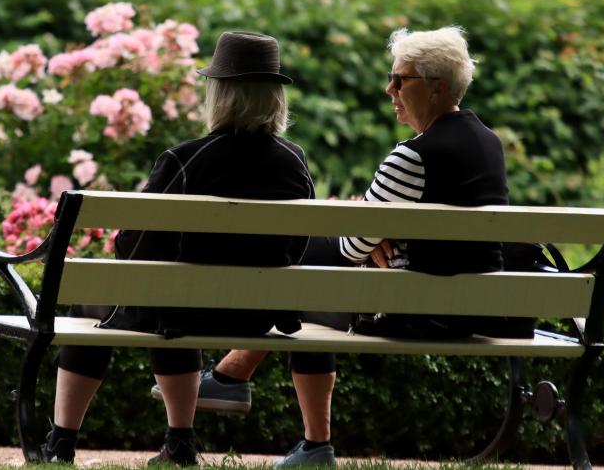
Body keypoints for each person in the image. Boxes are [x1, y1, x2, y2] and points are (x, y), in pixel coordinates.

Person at [170, 26, 509, 467]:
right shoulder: (488, 143)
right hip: (473, 305)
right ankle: (249, 390)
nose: (390, 89)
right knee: (315, 271)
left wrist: (371, 240)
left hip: (420, 311)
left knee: (305, 262)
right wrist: (376, 238)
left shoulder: (414, 156)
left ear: (438, 88)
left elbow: (351, 246)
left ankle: (250, 389)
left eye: (400, 79)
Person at [43, 31, 316, 467]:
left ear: (220, 95)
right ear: (275, 99)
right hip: (255, 315)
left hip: (181, 308)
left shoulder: (186, 158)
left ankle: (61, 441)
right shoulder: (294, 161)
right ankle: (179, 444)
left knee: (115, 299)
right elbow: (298, 246)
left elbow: (136, 245)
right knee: (171, 293)